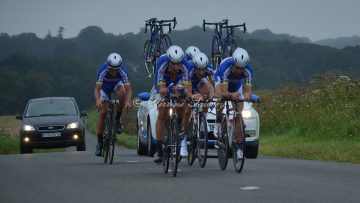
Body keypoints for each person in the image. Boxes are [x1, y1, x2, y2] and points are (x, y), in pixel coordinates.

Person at [153, 45, 196, 163]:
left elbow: (187, 90)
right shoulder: (161, 64)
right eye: (173, 64)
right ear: (168, 61)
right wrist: (171, 90)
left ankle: (179, 123)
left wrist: (184, 93)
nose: (176, 67)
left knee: (183, 101)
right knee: (162, 112)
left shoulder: (186, 66)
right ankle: (158, 149)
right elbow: (161, 89)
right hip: (165, 84)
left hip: (178, 82)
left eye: (178, 64)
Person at [214, 47, 253, 160]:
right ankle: (218, 122)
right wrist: (230, 95)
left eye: (242, 68)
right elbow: (225, 91)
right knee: (221, 97)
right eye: (237, 68)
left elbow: (248, 90)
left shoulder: (249, 70)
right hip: (221, 81)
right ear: (233, 63)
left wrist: (247, 96)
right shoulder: (225, 67)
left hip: (236, 84)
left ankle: (239, 147)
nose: (239, 71)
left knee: (239, 114)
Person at [94, 53, 133, 156]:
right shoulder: (103, 70)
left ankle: (117, 120)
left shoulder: (123, 71)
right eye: (112, 69)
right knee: (103, 112)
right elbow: (97, 89)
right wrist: (98, 100)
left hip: (116, 85)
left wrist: (127, 101)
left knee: (122, 93)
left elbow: (129, 90)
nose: (114, 72)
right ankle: (99, 143)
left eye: (117, 69)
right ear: (108, 66)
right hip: (104, 87)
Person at [182, 52, 215, 157]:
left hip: (199, 84)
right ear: (194, 67)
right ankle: (183, 139)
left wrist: (212, 99)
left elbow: (215, 85)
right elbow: (187, 91)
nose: (201, 72)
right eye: (199, 69)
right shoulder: (188, 68)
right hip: (188, 84)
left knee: (206, 86)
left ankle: (203, 119)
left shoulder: (209, 69)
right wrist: (194, 96)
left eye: (203, 69)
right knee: (187, 109)